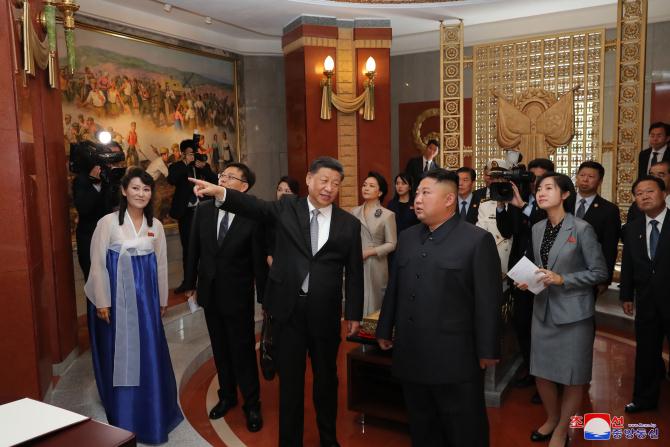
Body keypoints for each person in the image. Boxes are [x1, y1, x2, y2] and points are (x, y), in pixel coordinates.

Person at [189, 156, 363, 447]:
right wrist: (221, 192)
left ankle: (328, 438)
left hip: (325, 315)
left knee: (326, 382)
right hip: (288, 312)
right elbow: (252, 206)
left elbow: (355, 273)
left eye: (335, 183)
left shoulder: (349, 224)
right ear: (308, 179)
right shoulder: (286, 208)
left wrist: (354, 313)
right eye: (323, 180)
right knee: (291, 384)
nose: (328, 187)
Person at [376, 168, 502, 447]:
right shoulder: (407, 237)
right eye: (417, 193)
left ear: (449, 199)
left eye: (425, 193)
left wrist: (488, 350)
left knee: (464, 429)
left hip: (456, 359)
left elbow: (488, 300)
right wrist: (384, 328)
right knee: (422, 427)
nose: (417, 199)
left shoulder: (476, 240)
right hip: (412, 354)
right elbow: (395, 286)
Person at [84, 168, 183, 444]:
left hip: (146, 302)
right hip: (116, 300)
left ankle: (152, 411)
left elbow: (161, 265)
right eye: (136, 188)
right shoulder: (107, 223)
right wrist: (102, 301)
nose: (141, 194)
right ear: (124, 191)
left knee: (148, 353)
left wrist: (162, 300)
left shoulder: (157, 226)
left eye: (146, 189)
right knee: (122, 354)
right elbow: (97, 264)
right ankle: (125, 413)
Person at [516, 173, 607, 447]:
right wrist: (529, 280)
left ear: (565, 194)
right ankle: (552, 418)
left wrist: (563, 279)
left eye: (548, 188)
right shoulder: (537, 228)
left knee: (572, 375)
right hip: (542, 309)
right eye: (539, 189)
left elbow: (600, 272)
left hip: (573, 315)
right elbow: (543, 270)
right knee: (542, 372)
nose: (541, 193)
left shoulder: (581, 228)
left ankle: (562, 430)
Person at [183, 163, 267, 431]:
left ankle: (252, 404)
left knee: (242, 352)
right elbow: (193, 250)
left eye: (230, 178)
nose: (223, 180)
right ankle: (227, 396)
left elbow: (258, 262)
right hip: (210, 293)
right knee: (220, 350)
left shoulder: (252, 217)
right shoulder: (205, 210)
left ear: (244, 187)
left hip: (238, 296)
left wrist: (264, 298)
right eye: (222, 176)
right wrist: (189, 283)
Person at [496, 157, 554, 393]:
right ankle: (531, 370)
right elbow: (507, 230)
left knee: (545, 327)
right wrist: (502, 204)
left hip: (545, 272)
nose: (534, 183)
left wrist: (522, 207)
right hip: (521, 270)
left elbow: (549, 225)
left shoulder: (551, 199)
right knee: (522, 323)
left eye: (539, 178)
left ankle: (548, 378)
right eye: (531, 177)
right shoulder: (519, 197)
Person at [620, 175, 670, 413]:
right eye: (639, 193)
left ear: (664, 194)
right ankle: (643, 399)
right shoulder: (631, 228)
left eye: (650, 191)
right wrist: (626, 295)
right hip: (647, 301)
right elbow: (628, 264)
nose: (644, 196)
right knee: (647, 352)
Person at [168, 139, 217, 294]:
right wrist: (186, 165)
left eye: (194, 153)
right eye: (190, 153)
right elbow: (172, 180)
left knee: (206, 247)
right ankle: (188, 283)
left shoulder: (202, 165)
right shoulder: (177, 166)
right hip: (187, 214)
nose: (193, 156)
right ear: (183, 153)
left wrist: (205, 168)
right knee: (188, 249)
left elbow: (215, 180)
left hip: (204, 213)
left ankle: (208, 281)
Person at [350, 172, 397, 316]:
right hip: (356, 261)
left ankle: (373, 331)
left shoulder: (387, 214)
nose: (366, 188)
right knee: (357, 295)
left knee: (375, 300)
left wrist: (369, 252)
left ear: (380, 192)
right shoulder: (354, 211)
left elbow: (392, 243)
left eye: (371, 186)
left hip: (376, 262)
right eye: (364, 185)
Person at [574, 161, 621, 294]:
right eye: (582, 175)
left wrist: (604, 279)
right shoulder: (563, 202)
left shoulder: (609, 210)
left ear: (599, 181)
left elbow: (609, 246)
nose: (585, 179)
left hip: (589, 271)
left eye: (591, 176)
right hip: (559, 269)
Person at [73, 162, 113, 280]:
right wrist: (96, 184)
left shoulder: (115, 179)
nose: (111, 166)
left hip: (112, 239)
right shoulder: (82, 180)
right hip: (90, 240)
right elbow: (84, 208)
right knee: (94, 283)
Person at [476, 160, 513, 276]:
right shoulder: (485, 204)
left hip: (514, 265)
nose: (498, 182)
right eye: (494, 178)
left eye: (502, 178)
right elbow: (480, 236)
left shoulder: (519, 202)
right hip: (493, 264)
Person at [266, 176, 301, 267]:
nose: (282, 194)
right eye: (279, 190)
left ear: (295, 194)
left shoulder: (300, 216)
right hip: (272, 266)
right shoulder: (270, 213)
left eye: (287, 191)